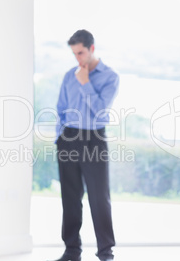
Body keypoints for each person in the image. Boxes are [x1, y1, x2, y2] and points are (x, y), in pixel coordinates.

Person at [52, 30, 119, 261]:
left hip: (94, 139)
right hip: (68, 138)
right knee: (70, 197)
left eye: (80, 52)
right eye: (74, 53)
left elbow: (101, 111)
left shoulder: (110, 77)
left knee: (99, 197)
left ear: (91, 49)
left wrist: (86, 83)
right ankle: (71, 250)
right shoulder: (69, 76)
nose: (77, 58)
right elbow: (61, 108)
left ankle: (105, 252)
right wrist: (59, 137)